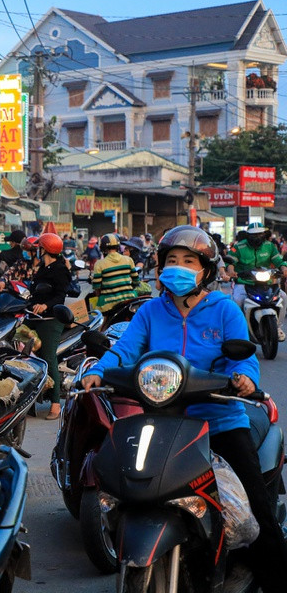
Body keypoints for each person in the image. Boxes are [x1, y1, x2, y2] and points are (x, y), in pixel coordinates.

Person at [82, 226, 287, 593]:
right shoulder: (150, 311)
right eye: (172, 260)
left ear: (205, 270)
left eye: (189, 261)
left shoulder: (224, 309)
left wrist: (243, 377)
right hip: (165, 421)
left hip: (221, 421)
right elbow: (125, 349)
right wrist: (99, 370)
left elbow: (244, 356)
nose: (178, 267)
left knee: (256, 511)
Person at [26, 233, 69, 420]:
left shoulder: (60, 269)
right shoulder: (43, 267)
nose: (37, 250)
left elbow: (60, 296)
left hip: (51, 319)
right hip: (35, 317)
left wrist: (45, 305)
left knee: (48, 357)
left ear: (45, 249)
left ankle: (55, 404)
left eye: (40, 247)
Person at [225, 222, 287, 341]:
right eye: (253, 235)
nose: (257, 237)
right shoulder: (239, 246)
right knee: (237, 300)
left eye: (259, 234)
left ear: (264, 234)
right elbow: (230, 262)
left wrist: (284, 269)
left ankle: (278, 327)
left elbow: (279, 261)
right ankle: (238, 330)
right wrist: (231, 271)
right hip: (244, 281)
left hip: (267, 281)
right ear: (248, 235)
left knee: (283, 297)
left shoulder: (270, 246)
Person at [91, 233, 139, 313]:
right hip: (130, 300)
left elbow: (97, 287)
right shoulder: (128, 260)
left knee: (98, 318)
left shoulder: (99, 264)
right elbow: (136, 281)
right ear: (118, 247)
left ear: (103, 248)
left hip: (108, 304)